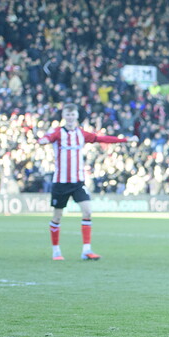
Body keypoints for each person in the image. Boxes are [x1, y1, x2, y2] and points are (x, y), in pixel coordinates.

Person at [36, 103, 138, 260]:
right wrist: (42, 140)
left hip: (78, 182)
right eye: (67, 114)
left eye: (73, 114)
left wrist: (123, 140)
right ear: (64, 116)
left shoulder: (81, 134)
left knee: (88, 211)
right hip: (61, 182)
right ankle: (56, 251)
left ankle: (86, 250)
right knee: (57, 217)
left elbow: (101, 138)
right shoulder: (57, 133)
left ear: (77, 116)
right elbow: (47, 138)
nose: (70, 117)